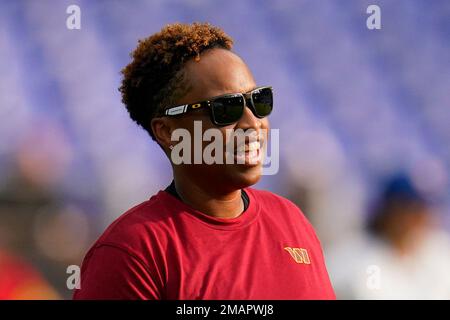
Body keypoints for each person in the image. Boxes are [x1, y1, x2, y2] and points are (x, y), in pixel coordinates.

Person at [73, 22, 335, 300]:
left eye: (259, 101)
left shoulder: (291, 221)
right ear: (168, 131)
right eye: (226, 108)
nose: (252, 123)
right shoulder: (134, 252)